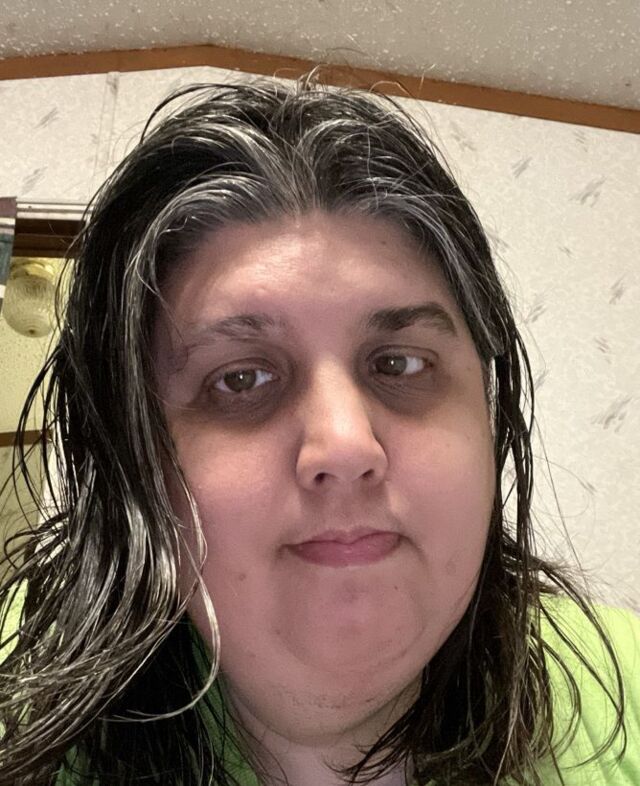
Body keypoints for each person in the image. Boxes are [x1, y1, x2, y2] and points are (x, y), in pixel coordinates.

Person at [0, 74, 638, 786]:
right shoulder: (20, 702)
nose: (346, 444)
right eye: (240, 379)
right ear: (136, 455)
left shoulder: (626, 684)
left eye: (399, 363)